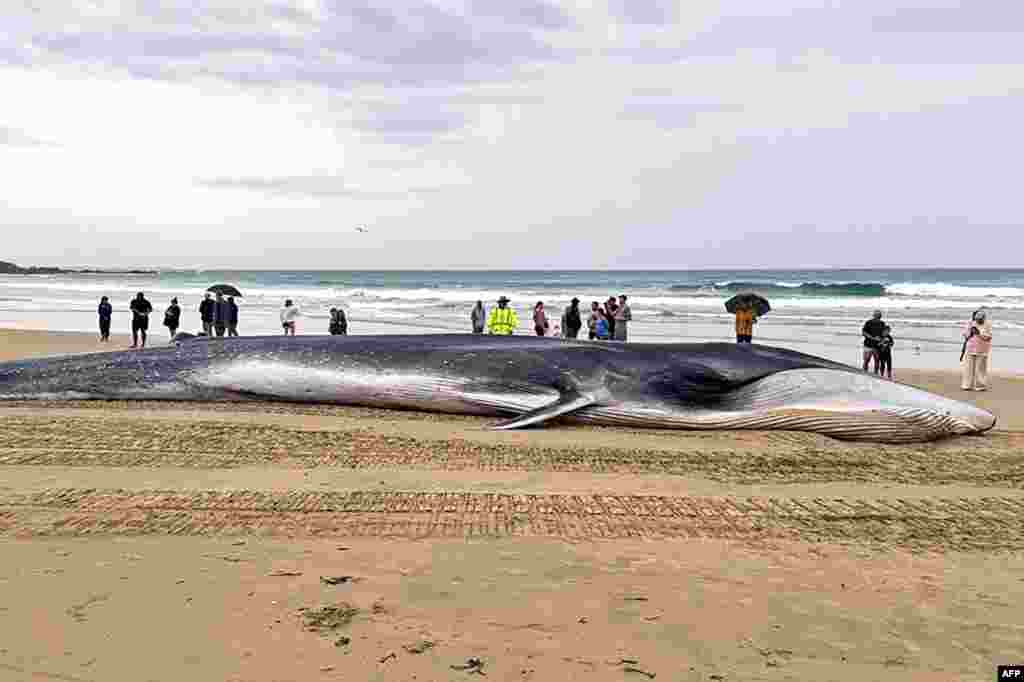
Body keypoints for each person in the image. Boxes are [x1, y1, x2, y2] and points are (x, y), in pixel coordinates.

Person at [961, 309, 993, 391]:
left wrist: (979, 333)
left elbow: (988, 337)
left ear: (984, 318)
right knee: (968, 368)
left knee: (981, 368)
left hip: (982, 349)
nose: (979, 320)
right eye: (977, 319)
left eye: (980, 319)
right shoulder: (970, 323)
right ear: (975, 318)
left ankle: (980, 385)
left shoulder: (987, 325)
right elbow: (965, 334)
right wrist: (970, 332)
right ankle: (967, 385)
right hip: (971, 348)